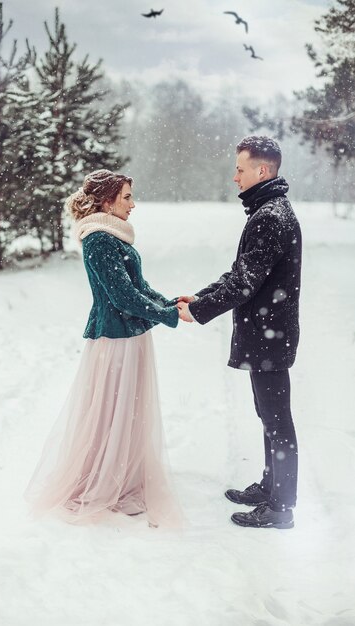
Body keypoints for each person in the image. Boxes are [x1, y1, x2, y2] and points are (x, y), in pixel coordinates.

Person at [24, 169, 182, 528]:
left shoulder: (116, 237)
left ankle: (122, 474)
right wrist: (167, 315)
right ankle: (103, 481)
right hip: (114, 339)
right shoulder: (98, 239)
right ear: (107, 200)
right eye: (126, 197)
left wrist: (171, 305)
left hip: (131, 335)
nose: (133, 204)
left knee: (128, 410)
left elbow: (139, 287)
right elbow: (122, 297)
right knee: (113, 410)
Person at [177, 136, 301, 529]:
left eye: (240, 169)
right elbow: (241, 274)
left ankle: (280, 508)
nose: (234, 177)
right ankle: (270, 487)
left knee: (277, 421)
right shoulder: (268, 210)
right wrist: (201, 296)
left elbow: (244, 283)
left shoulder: (270, 216)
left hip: (270, 336)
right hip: (267, 334)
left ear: (262, 171)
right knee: (269, 416)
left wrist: (199, 311)